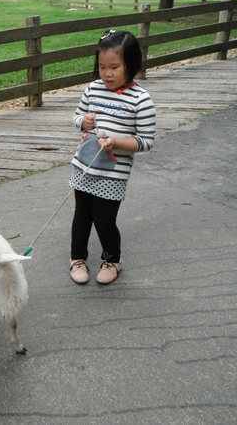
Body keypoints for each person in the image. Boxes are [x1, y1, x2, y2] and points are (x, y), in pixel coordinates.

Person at [69, 30, 156, 285]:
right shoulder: (93, 89)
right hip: (84, 166)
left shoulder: (141, 99)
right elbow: (76, 117)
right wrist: (82, 122)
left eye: (115, 67)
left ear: (132, 64)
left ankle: (112, 260)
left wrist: (116, 142)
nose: (107, 73)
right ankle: (77, 258)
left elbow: (145, 142)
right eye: (102, 67)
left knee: (104, 220)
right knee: (82, 215)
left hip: (113, 173)